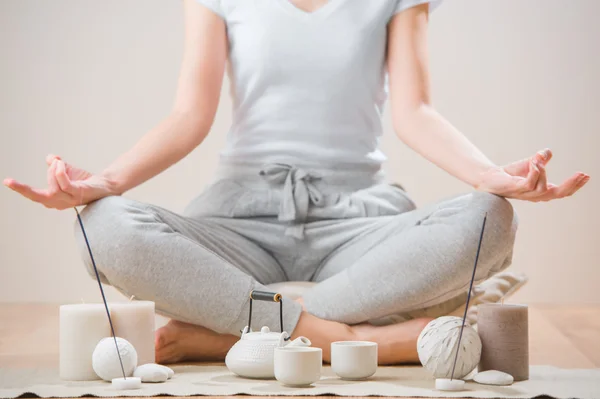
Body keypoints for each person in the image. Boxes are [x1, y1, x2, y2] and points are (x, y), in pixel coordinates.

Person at [4, 0, 589, 365]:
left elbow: (415, 113)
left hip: (361, 219)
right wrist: (105, 181)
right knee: (102, 225)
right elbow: (190, 116)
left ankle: (233, 331)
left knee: (490, 218)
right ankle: (349, 338)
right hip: (239, 217)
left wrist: (489, 176)